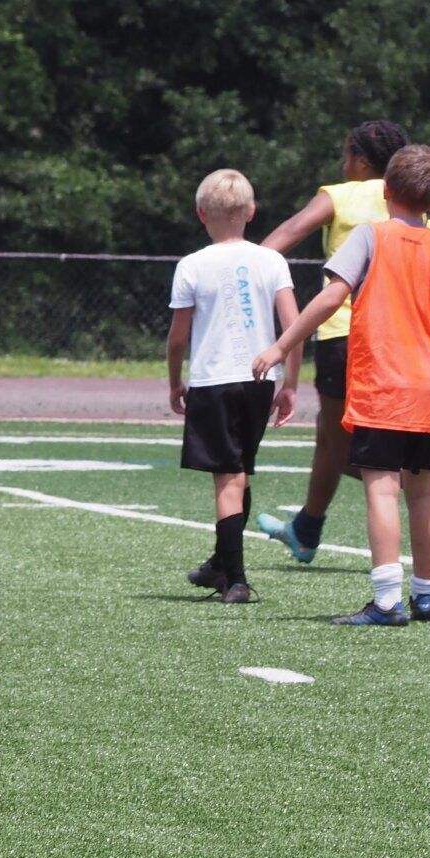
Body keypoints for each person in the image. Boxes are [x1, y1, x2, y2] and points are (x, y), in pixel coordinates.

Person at [252, 145, 430, 626]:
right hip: (429, 390)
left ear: (385, 192)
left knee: (381, 490)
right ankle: (426, 596)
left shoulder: (369, 237)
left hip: (383, 386)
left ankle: (385, 602)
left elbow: (329, 299)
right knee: (421, 492)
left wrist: (281, 346)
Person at [167, 169, 300, 604]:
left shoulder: (192, 264)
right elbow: (294, 327)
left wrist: (174, 381)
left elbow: (178, 337)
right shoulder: (271, 261)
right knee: (239, 470)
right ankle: (221, 561)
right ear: (251, 211)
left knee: (228, 477)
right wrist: (291, 384)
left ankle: (236, 579)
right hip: (260, 380)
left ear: (201, 214)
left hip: (213, 379)